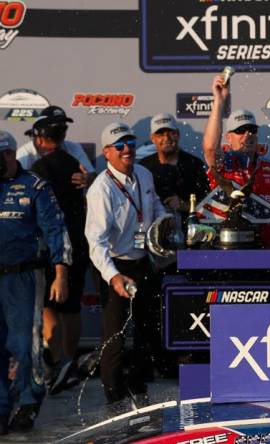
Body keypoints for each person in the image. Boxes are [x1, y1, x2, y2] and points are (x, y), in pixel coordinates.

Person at [85, 122, 168, 406]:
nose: (127, 150)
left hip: (142, 262)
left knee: (147, 330)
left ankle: (139, 389)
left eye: (130, 144)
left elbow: (154, 206)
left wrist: (166, 223)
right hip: (115, 266)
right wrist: (113, 277)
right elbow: (95, 243)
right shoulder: (101, 189)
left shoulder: (144, 173)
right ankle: (113, 397)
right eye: (119, 146)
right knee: (116, 336)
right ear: (107, 152)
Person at [0, 130, 70, 433]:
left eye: (3, 153)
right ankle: (2, 407)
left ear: (13, 154)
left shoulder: (35, 186)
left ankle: (28, 402)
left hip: (23, 277)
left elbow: (57, 230)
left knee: (25, 347)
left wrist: (60, 273)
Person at [202, 75, 270, 249]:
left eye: (252, 129)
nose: (248, 134)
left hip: (264, 249)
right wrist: (219, 101)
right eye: (240, 130)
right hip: (224, 250)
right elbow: (209, 148)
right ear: (228, 137)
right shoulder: (225, 163)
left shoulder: (267, 167)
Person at [27, 113, 93, 396]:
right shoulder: (75, 165)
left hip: (52, 246)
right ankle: (68, 363)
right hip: (78, 242)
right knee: (72, 305)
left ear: (41, 140)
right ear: (62, 138)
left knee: (48, 304)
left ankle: (59, 362)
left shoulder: (38, 168)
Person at [140, 113, 211, 224]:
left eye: (171, 133)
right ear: (152, 138)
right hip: (152, 232)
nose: (166, 138)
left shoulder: (195, 165)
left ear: (177, 134)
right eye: (160, 134)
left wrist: (184, 205)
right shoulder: (143, 168)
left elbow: (210, 206)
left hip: (190, 233)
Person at [16, 106, 96, 188]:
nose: (60, 132)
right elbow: (17, 186)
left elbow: (92, 175)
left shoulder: (74, 147)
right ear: (40, 137)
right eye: (55, 128)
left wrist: (87, 179)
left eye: (63, 127)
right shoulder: (24, 154)